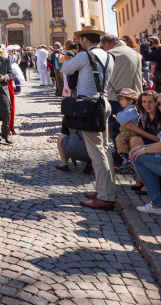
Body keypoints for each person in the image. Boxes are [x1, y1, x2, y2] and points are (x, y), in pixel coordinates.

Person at [61, 26, 116, 210]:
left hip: (90, 106)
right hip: (104, 102)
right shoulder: (109, 55)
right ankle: (105, 190)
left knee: (96, 152)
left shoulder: (85, 56)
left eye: (79, 40)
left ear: (84, 40)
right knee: (105, 149)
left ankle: (105, 196)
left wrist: (77, 54)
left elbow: (65, 69)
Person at [101, 34, 144, 166]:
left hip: (117, 97)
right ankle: (134, 158)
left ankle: (122, 159)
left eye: (103, 46)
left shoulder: (111, 54)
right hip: (134, 95)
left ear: (108, 44)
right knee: (133, 128)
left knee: (117, 129)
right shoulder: (135, 52)